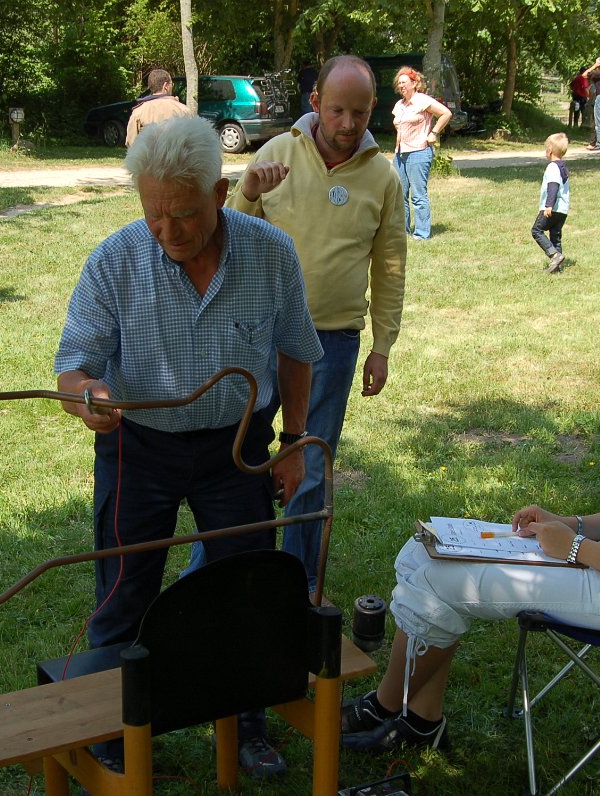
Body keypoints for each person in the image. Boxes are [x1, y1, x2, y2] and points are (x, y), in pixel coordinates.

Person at [341, 292, 600, 752]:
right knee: (424, 548)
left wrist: (575, 548)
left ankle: (387, 707)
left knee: (442, 580)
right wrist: (571, 523)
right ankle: (420, 719)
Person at [53, 115, 323, 777]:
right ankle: (114, 732)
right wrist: (89, 397)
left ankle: (248, 722)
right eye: (155, 216)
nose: (169, 232)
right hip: (138, 447)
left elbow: (295, 353)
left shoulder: (271, 253)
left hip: (237, 448)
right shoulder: (115, 261)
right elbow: (74, 367)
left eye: (185, 214)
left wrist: (291, 444)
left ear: (222, 193)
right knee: (125, 588)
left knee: (248, 587)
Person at [220, 54, 407, 592]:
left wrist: (383, 345)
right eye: (338, 110)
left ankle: (294, 587)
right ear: (315, 104)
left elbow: (390, 263)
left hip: (334, 344)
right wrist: (249, 191)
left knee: (312, 464)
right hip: (264, 339)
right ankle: (235, 570)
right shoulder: (277, 153)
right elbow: (231, 237)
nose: (348, 124)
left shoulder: (382, 176)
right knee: (247, 460)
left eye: (361, 112)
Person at [391, 66, 452, 241]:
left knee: (418, 195)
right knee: (399, 195)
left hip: (419, 152)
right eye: (399, 83)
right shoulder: (399, 105)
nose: (401, 86)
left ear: (414, 83)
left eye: (404, 83)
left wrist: (433, 133)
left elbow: (446, 113)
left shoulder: (422, 100)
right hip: (400, 154)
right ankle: (402, 231)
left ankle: (422, 233)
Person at [531, 132, 571, 274]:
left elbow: (553, 187)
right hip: (562, 210)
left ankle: (554, 256)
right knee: (555, 236)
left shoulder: (552, 167)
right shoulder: (563, 167)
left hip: (552, 208)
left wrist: (547, 206)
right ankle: (556, 268)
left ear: (549, 151)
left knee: (536, 230)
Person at [124, 68, 193, 147]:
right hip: (177, 159)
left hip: (148, 158)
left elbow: (131, 144)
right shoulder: (184, 110)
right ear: (165, 86)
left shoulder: (138, 112)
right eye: (172, 84)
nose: (172, 87)